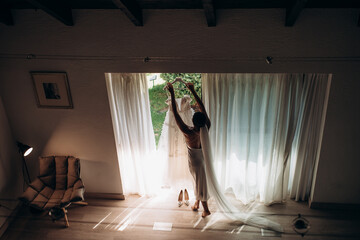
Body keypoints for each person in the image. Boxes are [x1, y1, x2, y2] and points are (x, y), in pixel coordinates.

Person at [166, 79, 211, 217]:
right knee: (198, 181)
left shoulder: (188, 131)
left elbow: (175, 112)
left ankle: (207, 210)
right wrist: (193, 91)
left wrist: (172, 93)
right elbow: (202, 107)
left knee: (199, 183)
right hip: (202, 159)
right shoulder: (206, 126)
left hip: (195, 162)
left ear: (193, 120)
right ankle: (197, 203)